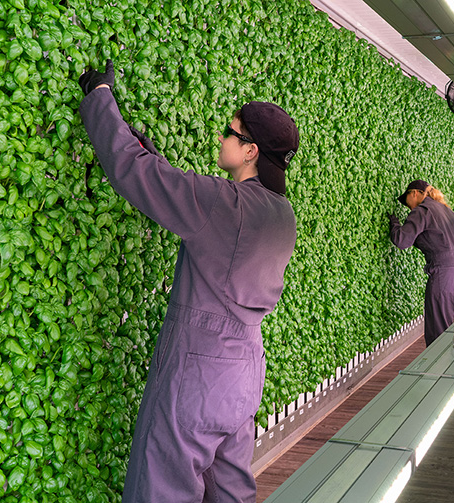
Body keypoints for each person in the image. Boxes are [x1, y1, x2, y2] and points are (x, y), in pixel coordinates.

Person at [77, 60, 299, 502]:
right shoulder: (282, 215)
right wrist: (156, 159)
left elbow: (132, 171)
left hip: (197, 371)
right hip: (244, 371)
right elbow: (210, 231)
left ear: (250, 150)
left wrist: (100, 95)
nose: (222, 138)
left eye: (230, 132)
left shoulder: (223, 203)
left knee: (160, 488)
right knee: (230, 490)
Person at [389, 180, 454, 346]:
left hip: (446, 277)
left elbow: (402, 240)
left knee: (438, 337)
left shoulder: (422, 211)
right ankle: (449, 369)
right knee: (448, 330)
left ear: (414, 193)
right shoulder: (448, 211)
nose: (409, 209)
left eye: (408, 204)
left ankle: (440, 372)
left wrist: (395, 223)